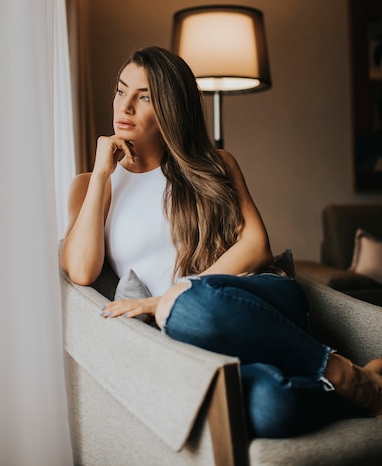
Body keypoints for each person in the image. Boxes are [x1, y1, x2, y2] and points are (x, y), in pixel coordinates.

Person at [60, 45, 382, 439]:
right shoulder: (94, 185)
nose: (124, 106)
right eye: (121, 91)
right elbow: (80, 269)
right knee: (270, 410)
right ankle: (364, 384)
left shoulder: (216, 163)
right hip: (197, 340)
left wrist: (167, 298)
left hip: (259, 300)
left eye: (144, 97)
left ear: (170, 108)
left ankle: (346, 375)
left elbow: (256, 246)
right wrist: (99, 175)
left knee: (187, 305)